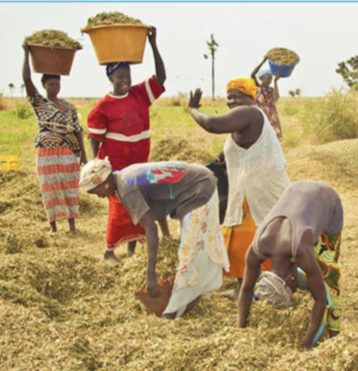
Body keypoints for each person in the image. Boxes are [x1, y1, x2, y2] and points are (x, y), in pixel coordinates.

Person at [79, 158, 229, 318]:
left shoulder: (127, 188)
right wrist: (167, 236)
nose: (99, 196)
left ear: (105, 182)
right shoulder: (124, 177)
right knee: (190, 249)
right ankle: (187, 298)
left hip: (199, 189)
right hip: (198, 182)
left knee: (190, 253)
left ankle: (174, 309)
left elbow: (150, 228)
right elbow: (155, 204)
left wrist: (151, 275)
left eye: (97, 191)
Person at [187, 78, 290, 299]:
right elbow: (239, 149)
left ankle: (264, 288)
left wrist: (193, 109)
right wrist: (220, 159)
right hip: (249, 190)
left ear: (250, 97)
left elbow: (213, 124)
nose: (230, 100)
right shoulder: (246, 119)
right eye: (228, 96)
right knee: (241, 243)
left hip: (260, 191)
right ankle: (247, 288)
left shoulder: (250, 113)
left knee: (259, 240)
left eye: (236, 95)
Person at [87, 26, 166, 263]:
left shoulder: (139, 94)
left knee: (139, 207)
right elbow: (94, 137)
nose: (125, 80)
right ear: (110, 78)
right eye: (119, 76)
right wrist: (96, 164)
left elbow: (161, 78)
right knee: (120, 209)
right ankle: (109, 252)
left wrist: (152, 45)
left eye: (128, 76)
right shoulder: (104, 106)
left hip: (139, 165)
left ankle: (131, 251)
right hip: (118, 168)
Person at [237, 180, 344, 349]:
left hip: (326, 198)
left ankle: (335, 334)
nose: (295, 292)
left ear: (290, 278)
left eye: (292, 290)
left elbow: (321, 298)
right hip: (297, 189)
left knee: (328, 276)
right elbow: (246, 289)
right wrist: (241, 330)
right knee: (304, 258)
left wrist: (307, 342)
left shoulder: (301, 250)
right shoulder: (256, 248)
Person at [22, 46, 87, 235]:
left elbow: (77, 131)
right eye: (51, 84)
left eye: (57, 84)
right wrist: (26, 54)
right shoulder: (40, 103)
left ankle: (72, 226)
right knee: (49, 188)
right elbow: (27, 79)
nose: (55, 87)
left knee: (70, 187)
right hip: (46, 152)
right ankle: (53, 227)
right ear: (44, 86)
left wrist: (83, 154)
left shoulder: (69, 106)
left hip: (67, 152)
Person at [251, 57, 282, 140]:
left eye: (271, 79)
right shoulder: (258, 87)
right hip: (260, 117)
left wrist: (276, 82)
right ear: (261, 78)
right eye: (268, 78)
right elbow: (252, 75)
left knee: (272, 138)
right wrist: (263, 61)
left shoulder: (270, 90)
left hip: (271, 118)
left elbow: (276, 97)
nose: (270, 81)